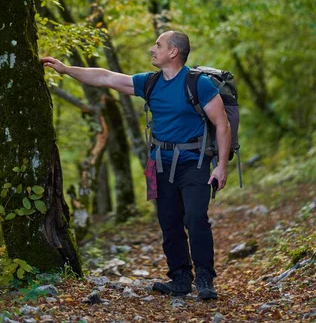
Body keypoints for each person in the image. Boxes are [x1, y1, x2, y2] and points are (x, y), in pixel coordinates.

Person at [41, 30, 231, 300]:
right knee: (169, 222)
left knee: (195, 217)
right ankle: (180, 278)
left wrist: (221, 166)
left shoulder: (198, 84)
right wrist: (66, 69)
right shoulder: (150, 83)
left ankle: (204, 277)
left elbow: (222, 124)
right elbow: (106, 77)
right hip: (160, 165)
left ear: (173, 52)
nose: (152, 49)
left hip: (195, 162)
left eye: (158, 45)